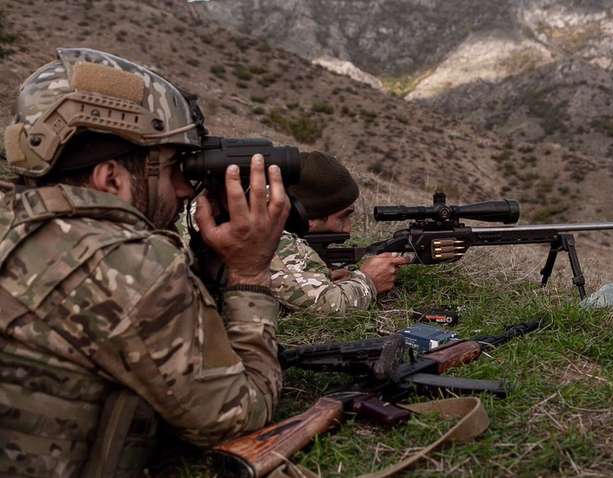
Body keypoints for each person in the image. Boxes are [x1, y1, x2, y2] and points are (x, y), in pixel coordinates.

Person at [0, 48, 288, 478]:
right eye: (172, 168)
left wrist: (206, 264)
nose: (185, 189)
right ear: (111, 178)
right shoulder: (126, 269)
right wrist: (249, 273)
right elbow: (238, 413)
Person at [272, 152, 409, 314]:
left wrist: (325, 275)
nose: (348, 228)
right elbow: (327, 306)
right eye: (343, 217)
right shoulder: (270, 238)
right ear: (308, 218)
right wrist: (369, 281)